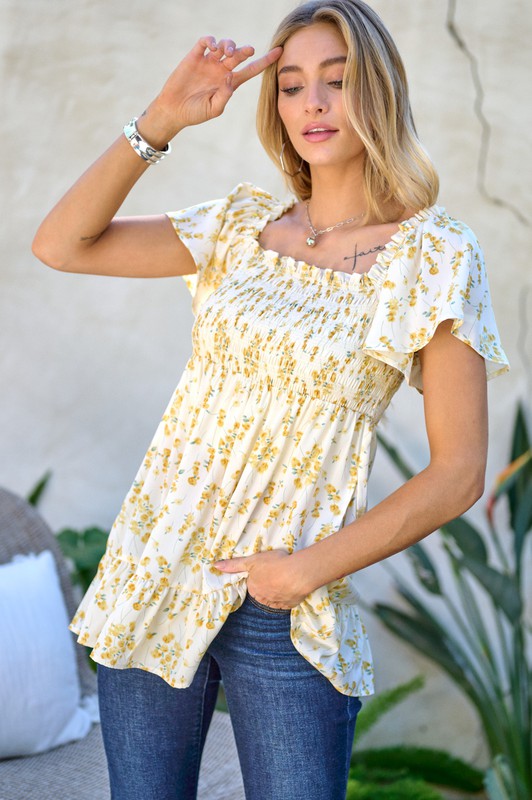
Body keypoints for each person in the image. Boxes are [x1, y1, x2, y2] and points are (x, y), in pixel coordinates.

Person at [32, 1, 509, 798]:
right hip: (158, 566)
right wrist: (162, 119)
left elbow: (459, 472)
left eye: (338, 80)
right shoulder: (239, 226)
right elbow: (61, 244)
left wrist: (299, 574)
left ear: (381, 93)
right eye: (291, 85)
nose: (312, 104)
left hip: (287, 607)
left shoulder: (435, 256)